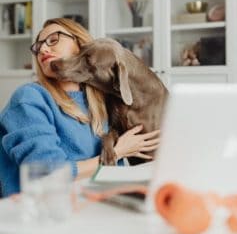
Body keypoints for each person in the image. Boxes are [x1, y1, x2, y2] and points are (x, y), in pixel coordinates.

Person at [0, 18, 160, 198]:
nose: (43, 49)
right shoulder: (29, 98)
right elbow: (46, 172)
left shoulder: (101, 100)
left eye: (53, 40)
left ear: (81, 45)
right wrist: (117, 152)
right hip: (44, 211)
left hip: (103, 202)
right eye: (38, 47)